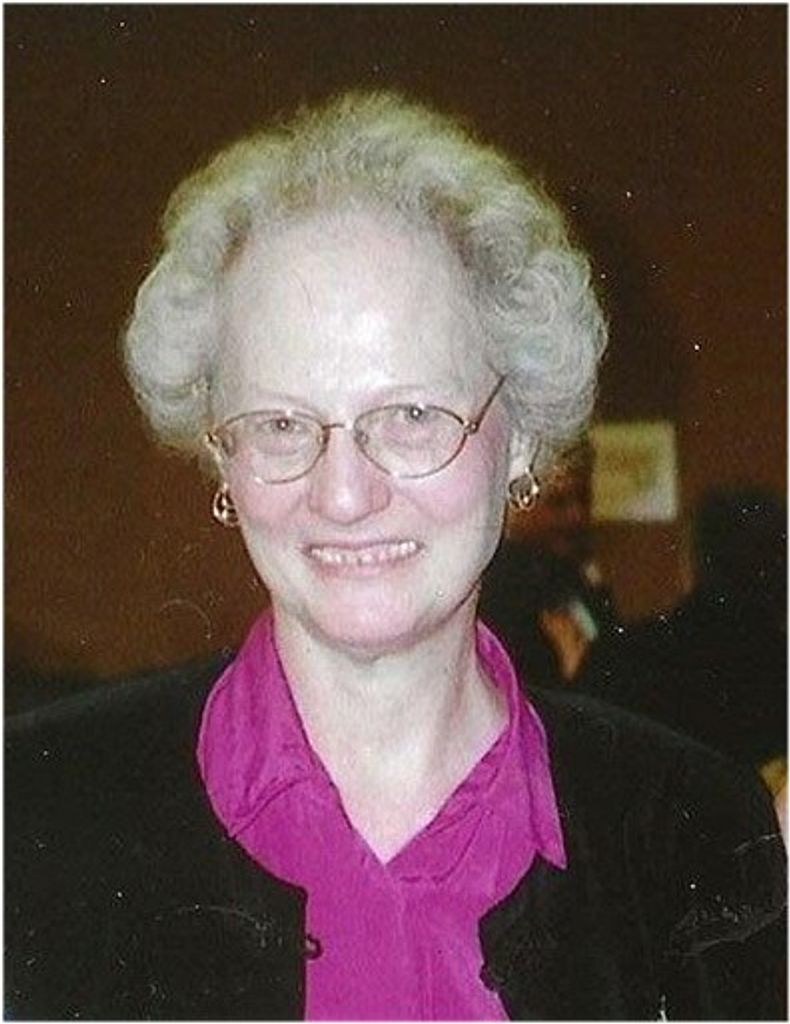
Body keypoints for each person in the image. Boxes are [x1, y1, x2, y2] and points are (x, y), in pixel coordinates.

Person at [6, 91, 785, 1020]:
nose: (343, 495)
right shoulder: (34, 814)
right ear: (222, 454)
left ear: (522, 438)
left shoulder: (693, 832)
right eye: (281, 424)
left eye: (412, 416)